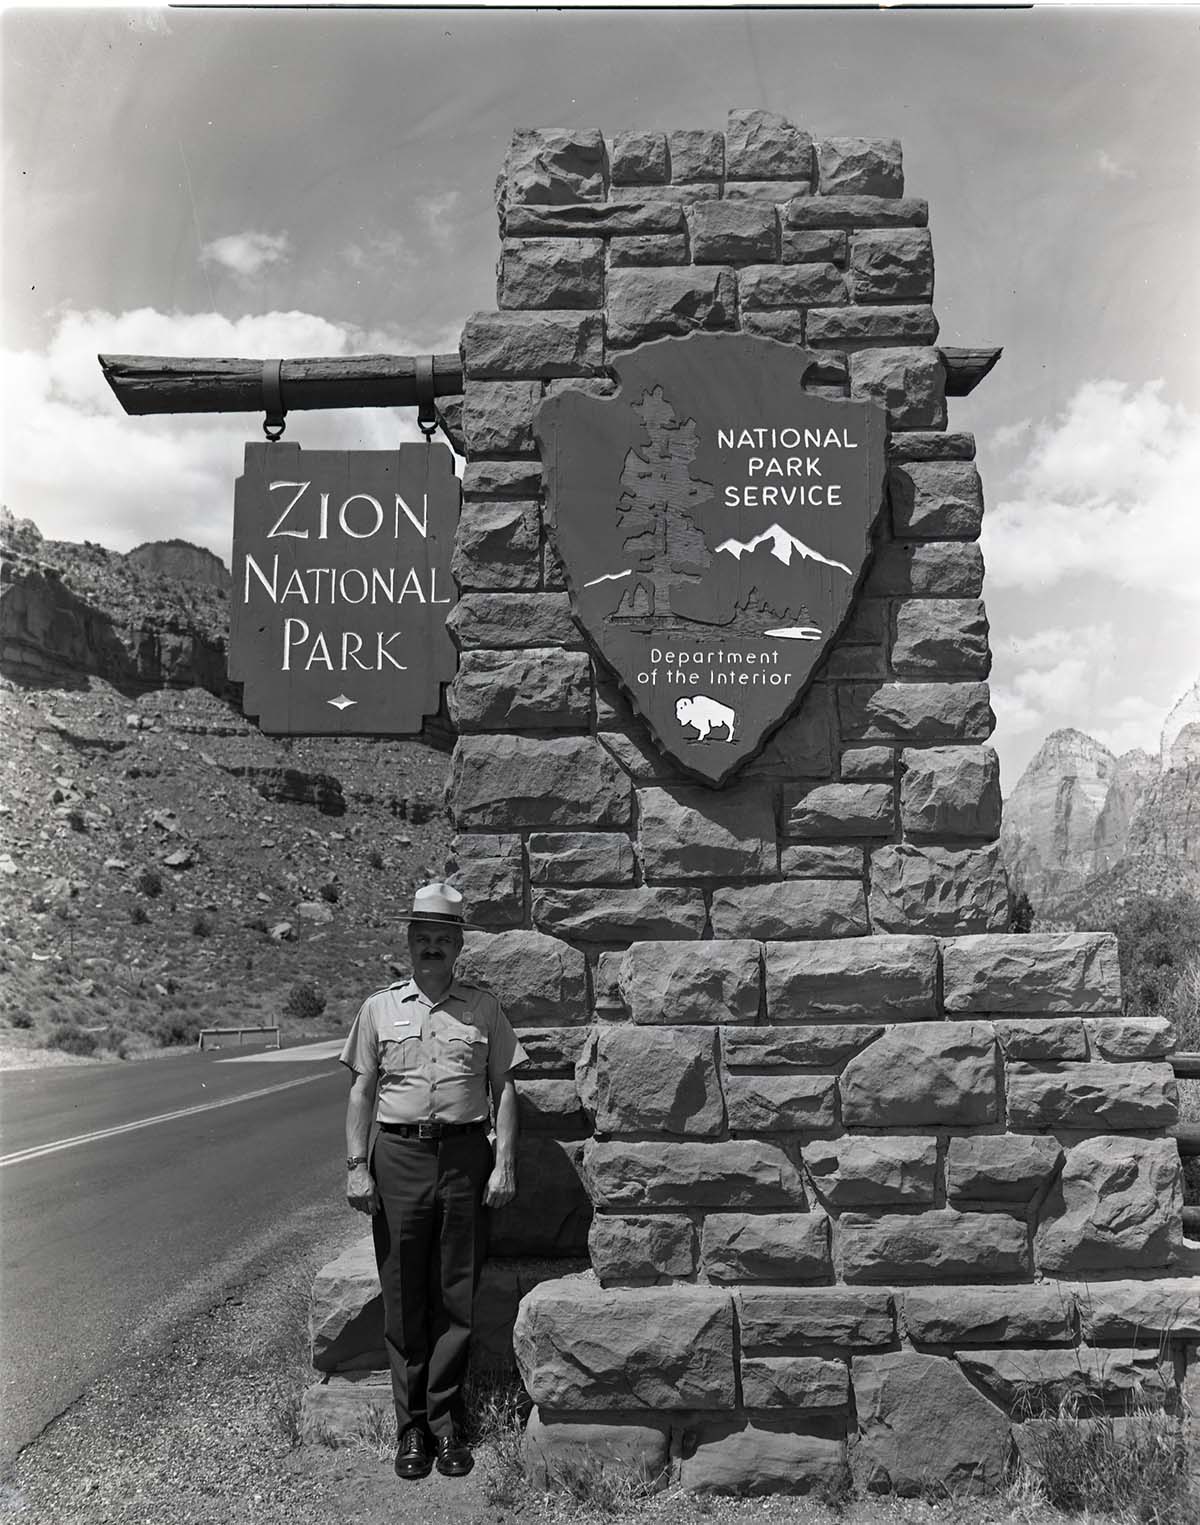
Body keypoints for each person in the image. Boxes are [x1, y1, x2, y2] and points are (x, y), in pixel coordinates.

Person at [340, 882, 528, 1481]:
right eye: (423, 938)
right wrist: (356, 1165)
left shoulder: (483, 1008)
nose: (432, 948)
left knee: (456, 1291)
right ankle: (412, 1427)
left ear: (458, 946)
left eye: (443, 939)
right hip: (398, 1156)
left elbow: (504, 1088)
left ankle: (447, 1426)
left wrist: (504, 1163)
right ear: (409, 941)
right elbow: (362, 1089)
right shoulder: (379, 1008)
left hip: (465, 1155)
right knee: (402, 1293)